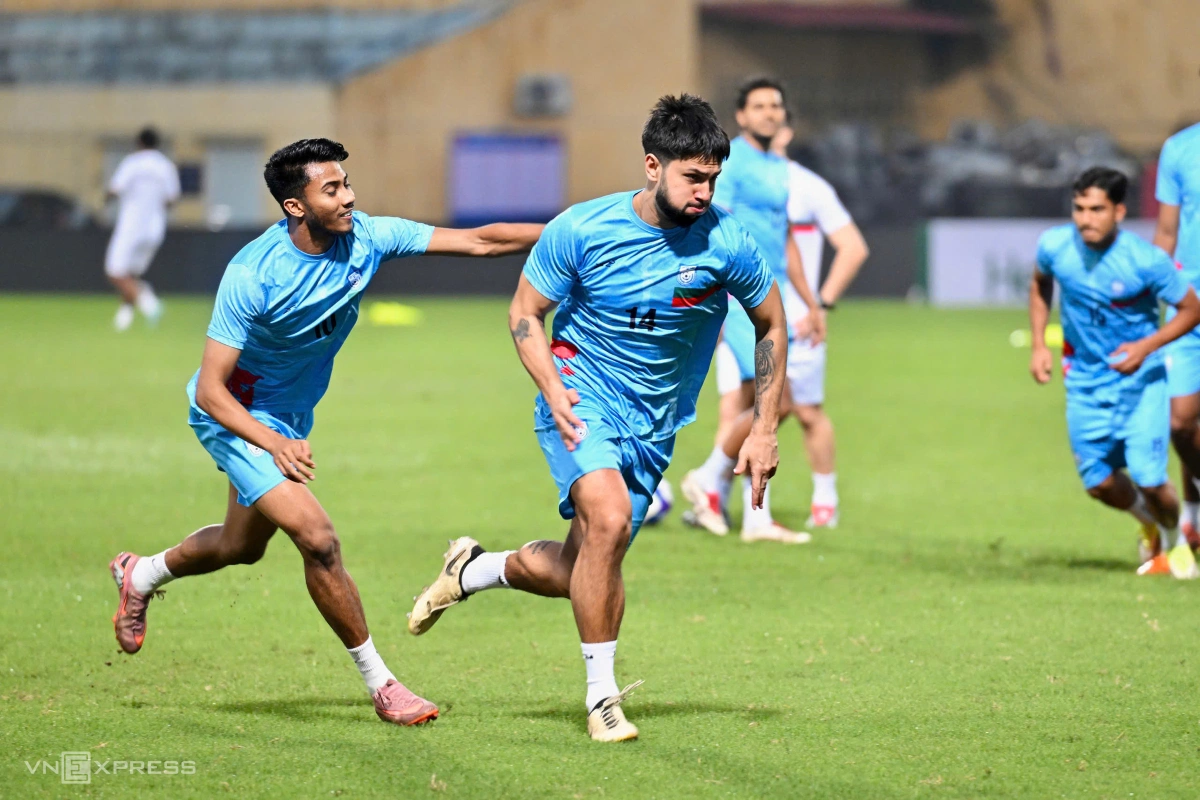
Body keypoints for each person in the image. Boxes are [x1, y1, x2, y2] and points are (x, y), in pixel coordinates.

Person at [108, 138, 544, 726]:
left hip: (287, 420)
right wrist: (273, 442)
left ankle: (140, 574)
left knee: (241, 547)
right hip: (235, 415)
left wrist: (574, 232)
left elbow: (479, 240)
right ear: (296, 206)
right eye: (331, 189)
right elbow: (211, 390)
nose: (349, 198)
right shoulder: (253, 274)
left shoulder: (368, 237)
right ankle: (383, 686)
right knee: (318, 539)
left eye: (347, 184)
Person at [406, 94, 789, 742]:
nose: (704, 191)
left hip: (654, 426)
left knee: (580, 568)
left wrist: (764, 426)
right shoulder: (582, 229)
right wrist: (552, 389)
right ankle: (602, 698)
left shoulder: (728, 242)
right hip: (581, 398)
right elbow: (525, 312)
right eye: (692, 176)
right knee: (607, 521)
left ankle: (470, 570)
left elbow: (772, 323)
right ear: (652, 166)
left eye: (713, 178)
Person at [1029, 167, 1200, 578]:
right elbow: (1039, 284)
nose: (1085, 219)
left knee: (1150, 479)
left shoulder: (1146, 260)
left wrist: (1146, 347)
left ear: (1119, 211)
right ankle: (1149, 524)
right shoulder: (1054, 246)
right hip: (1085, 383)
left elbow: (1192, 310)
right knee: (1099, 484)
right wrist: (1038, 344)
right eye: (1079, 208)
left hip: (1141, 383)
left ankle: (1176, 544)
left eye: (1097, 210)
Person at [678, 78, 822, 543]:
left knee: (757, 403)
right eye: (759, 106)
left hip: (772, 295)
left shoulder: (778, 167)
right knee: (778, 400)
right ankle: (709, 477)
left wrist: (811, 301)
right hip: (740, 298)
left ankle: (754, 516)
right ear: (741, 116)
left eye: (775, 105)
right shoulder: (733, 163)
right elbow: (709, 225)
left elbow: (784, 238)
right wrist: (710, 298)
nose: (769, 113)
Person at [1153, 120, 1200, 553]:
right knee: (1181, 423)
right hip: (1189, 306)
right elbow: (1167, 233)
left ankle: (1192, 518)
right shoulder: (1180, 149)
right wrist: (1145, 292)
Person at [105, 127, 180, 331]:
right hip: (155, 229)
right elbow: (171, 199)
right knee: (131, 274)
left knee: (115, 271)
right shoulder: (165, 166)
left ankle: (150, 304)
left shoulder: (133, 163)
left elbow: (115, 189)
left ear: (139, 143)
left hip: (131, 226)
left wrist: (106, 198)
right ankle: (125, 316)